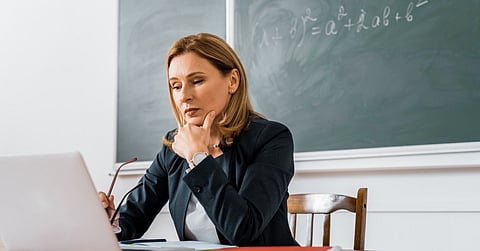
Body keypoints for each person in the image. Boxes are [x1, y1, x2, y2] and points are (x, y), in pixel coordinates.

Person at [99, 33, 298, 246]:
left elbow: (243, 230)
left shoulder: (271, 139)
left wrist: (198, 157)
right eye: (176, 86)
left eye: (197, 81)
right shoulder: (173, 147)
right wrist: (109, 221)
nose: (184, 96)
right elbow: (134, 219)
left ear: (232, 81)